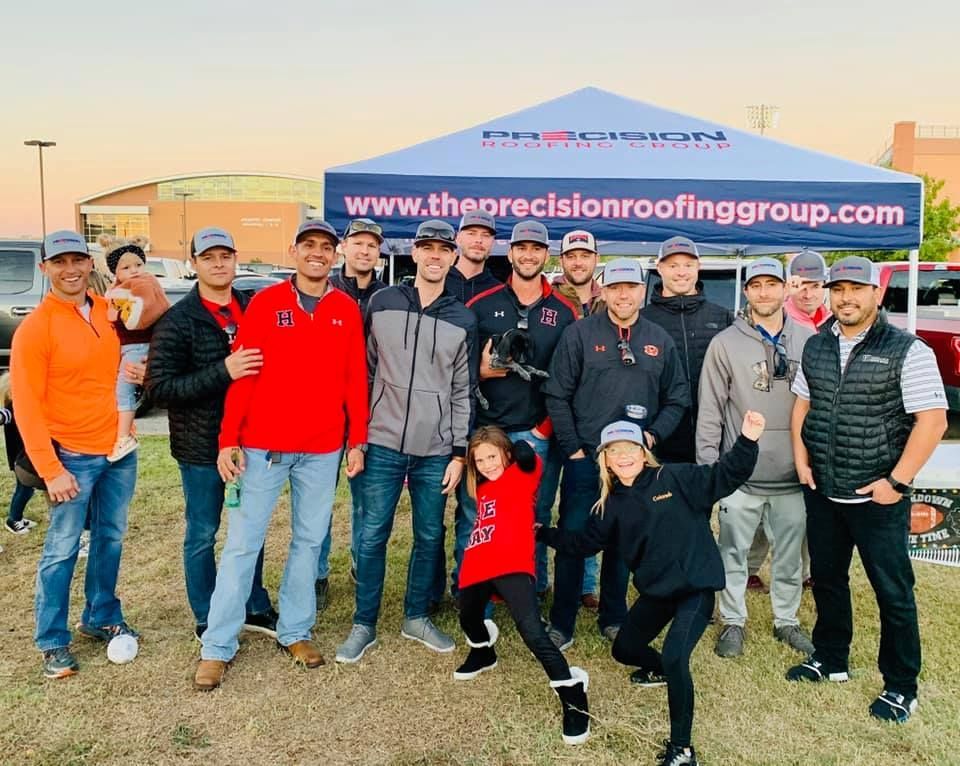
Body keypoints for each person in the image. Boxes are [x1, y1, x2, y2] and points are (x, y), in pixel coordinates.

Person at [194, 220, 368, 690]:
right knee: (242, 544)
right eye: (309, 245)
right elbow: (245, 373)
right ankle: (217, 644)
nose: (317, 254)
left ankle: (294, 629)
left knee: (309, 542)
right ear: (293, 251)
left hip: (322, 447)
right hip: (263, 446)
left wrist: (358, 439)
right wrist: (228, 437)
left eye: (326, 247)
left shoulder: (345, 308)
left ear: (335, 255)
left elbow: (355, 378)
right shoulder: (267, 304)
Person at [538, 413, 764, 766]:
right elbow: (583, 543)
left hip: (695, 588)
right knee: (624, 649)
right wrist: (543, 533)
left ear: (644, 453)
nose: (623, 456)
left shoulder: (674, 476)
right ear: (606, 460)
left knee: (677, 656)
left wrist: (748, 439)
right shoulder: (609, 505)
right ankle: (660, 670)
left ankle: (683, 751)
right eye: (614, 451)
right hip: (658, 592)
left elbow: (726, 475)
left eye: (630, 448)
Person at [787, 255, 948, 723]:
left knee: (892, 591)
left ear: (877, 294)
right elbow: (803, 403)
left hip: (878, 496)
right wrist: (801, 458)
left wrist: (896, 483)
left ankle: (901, 685)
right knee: (829, 580)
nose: (846, 297)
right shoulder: (818, 344)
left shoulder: (907, 350)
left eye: (856, 289)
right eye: (838, 289)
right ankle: (831, 658)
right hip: (824, 491)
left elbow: (933, 422)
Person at [336, 218, 477, 663]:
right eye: (427, 248)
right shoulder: (382, 301)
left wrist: (458, 452)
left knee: (429, 535)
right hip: (381, 443)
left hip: (435, 451)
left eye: (443, 249)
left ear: (453, 257)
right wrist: (357, 439)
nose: (435, 256)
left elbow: (462, 389)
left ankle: (416, 616)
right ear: (413, 253)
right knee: (372, 535)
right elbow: (364, 372)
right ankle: (364, 623)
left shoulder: (463, 317)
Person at [542, 258, 690, 650]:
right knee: (574, 537)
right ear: (603, 291)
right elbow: (557, 394)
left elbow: (678, 397)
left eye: (631, 287)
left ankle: (614, 616)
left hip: (632, 465)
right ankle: (562, 621)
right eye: (615, 287)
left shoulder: (659, 338)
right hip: (588, 459)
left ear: (643, 291)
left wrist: (653, 438)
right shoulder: (579, 335)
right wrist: (572, 449)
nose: (623, 295)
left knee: (625, 541)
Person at [11, 230, 139, 679]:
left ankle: (101, 615)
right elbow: (25, 405)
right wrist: (51, 469)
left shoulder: (109, 312)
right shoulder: (35, 329)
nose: (70, 270)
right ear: (45, 268)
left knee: (111, 537)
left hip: (119, 451)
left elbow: (125, 364)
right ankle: (52, 640)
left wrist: (137, 371)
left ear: (89, 264)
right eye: (59, 262)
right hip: (72, 457)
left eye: (77, 261)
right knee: (62, 549)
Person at [144, 226, 277, 642]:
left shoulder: (253, 308)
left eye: (225, 256)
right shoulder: (178, 320)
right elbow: (159, 387)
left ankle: (253, 603)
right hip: (201, 446)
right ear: (194, 263)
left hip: (252, 440)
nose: (218, 264)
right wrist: (223, 371)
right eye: (209, 257)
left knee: (250, 527)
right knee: (203, 530)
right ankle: (206, 613)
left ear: (236, 260)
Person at [450, 220, 577, 600]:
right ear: (510, 252)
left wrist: (544, 430)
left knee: (533, 517)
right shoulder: (482, 303)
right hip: (488, 431)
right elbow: (459, 370)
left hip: (536, 432)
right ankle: (471, 589)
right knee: (475, 516)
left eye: (536, 248)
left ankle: (529, 590)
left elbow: (569, 380)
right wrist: (483, 371)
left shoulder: (564, 311)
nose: (528, 254)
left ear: (545, 254)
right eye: (521, 247)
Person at [697, 257, 815, 658]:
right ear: (745, 291)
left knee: (789, 557)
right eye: (756, 285)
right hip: (740, 474)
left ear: (786, 288)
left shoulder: (808, 339)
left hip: (792, 474)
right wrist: (709, 470)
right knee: (732, 553)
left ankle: (787, 620)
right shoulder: (725, 343)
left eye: (772, 284)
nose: (764, 292)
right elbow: (710, 409)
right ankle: (732, 620)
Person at [456, 427, 590, 746]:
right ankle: (483, 653)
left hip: (511, 560)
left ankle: (573, 693)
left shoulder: (523, 475)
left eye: (492, 456)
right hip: (477, 560)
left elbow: (529, 457)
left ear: (506, 454)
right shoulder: (483, 488)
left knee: (531, 631)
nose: (487, 464)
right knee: (468, 617)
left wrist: (519, 447)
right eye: (480, 460)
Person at [317, 217, 388, 610]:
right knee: (319, 498)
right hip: (327, 409)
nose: (365, 251)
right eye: (358, 243)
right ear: (344, 247)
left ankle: (362, 566)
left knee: (366, 500)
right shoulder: (325, 290)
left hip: (371, 412)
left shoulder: (388, 296)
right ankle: (317, 572)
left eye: (372, 245)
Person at [748, 249, 827, 589]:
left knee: (809, 512)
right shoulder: (780, 315)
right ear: (789, 286)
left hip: (814, 430)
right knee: (763, 513)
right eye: (802, 284)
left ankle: (809, 572)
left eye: (816, 285)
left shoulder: (832, 319)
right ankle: (751, 567)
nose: (808, 292)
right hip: (772, 433)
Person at [640, 236, 733, 463]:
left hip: (713, 441)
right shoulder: (642, 320)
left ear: (698, 267)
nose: (681, 272)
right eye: (673, 265)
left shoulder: (722, 317)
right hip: (659, 443)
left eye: (688, 265)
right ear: (659, 268)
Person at [552, 229, 607, 608]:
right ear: (562, 261)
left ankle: (585, 583)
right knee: (539, 506)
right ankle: (536, 578)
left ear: (595, 260)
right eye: (571, 255)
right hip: (546, 419)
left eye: (584, 255)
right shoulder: (547, 299)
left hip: (589, 426)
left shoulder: (612, 302)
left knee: (587, 505)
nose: (578, 261)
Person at [101, 234, 170, 462]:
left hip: (137, 347)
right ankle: (122, 434)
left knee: (124, 392)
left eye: (139, 264)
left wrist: (119, 310)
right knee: (123, 391)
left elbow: (140, 314)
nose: (134, 270)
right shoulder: (124, 287)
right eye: (126, 267)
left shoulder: (140, 284)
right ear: (115, 272)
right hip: (131, 347)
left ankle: (124, 437)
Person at [444, 210, 501, 303]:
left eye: (485, 235)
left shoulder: (499, 291)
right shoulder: (438, 282)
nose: (478, 240)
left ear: (493, 243)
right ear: (458, 238)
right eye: (471, 233)